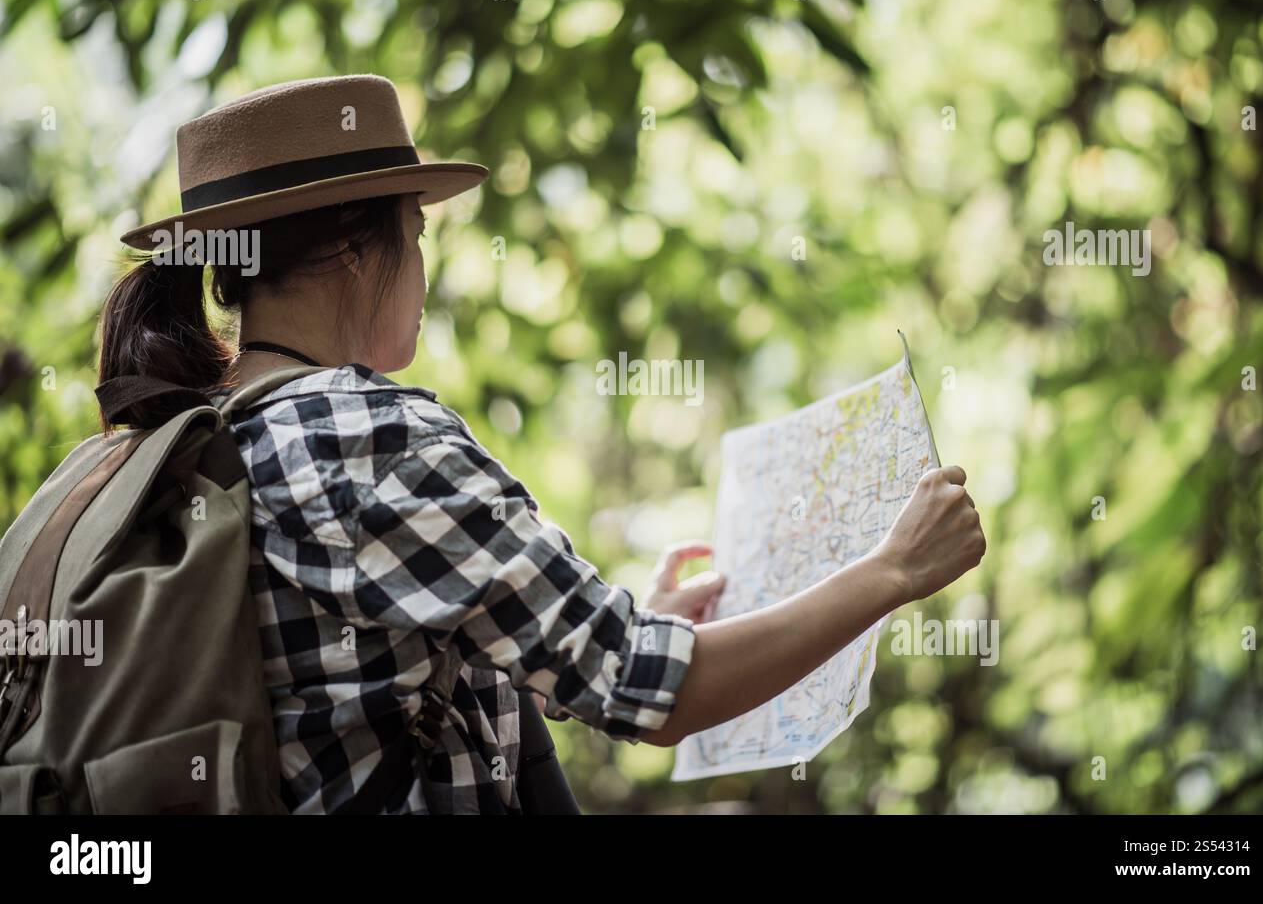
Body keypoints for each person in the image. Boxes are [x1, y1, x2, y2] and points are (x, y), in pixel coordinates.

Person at [98, 75, 986, 813]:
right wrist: (892, 571)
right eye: (415, 232)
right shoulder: (366, 436)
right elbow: (658, 694)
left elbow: (355, 689)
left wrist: (625, 621)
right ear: (353, 250)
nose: (422, 264)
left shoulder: (184, 440)